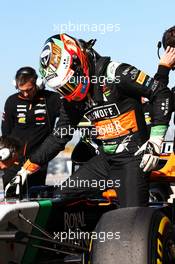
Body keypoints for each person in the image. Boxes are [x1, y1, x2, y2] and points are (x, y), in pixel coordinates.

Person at [6, 34, 172, 207]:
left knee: (131, 215)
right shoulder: (71, 99)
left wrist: (155, 140)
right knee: (59, 201)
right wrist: (24, 171)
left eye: (69, 83)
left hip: (134, 159)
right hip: (105, 159)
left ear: (79, 63)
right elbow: (58, 137)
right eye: (62, 88)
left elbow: (161, 93)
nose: (68, 91)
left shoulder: (116, 73)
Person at [1, 66, 61, 192]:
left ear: (38, 84)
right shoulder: (11, 101)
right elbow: (6, 133)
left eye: (29, 89)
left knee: (34, 196)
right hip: (13, 162)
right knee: (11, 194)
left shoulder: (52, 99)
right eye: (21, 90)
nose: (26, 94)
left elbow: (71, 116)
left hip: (38, 160)